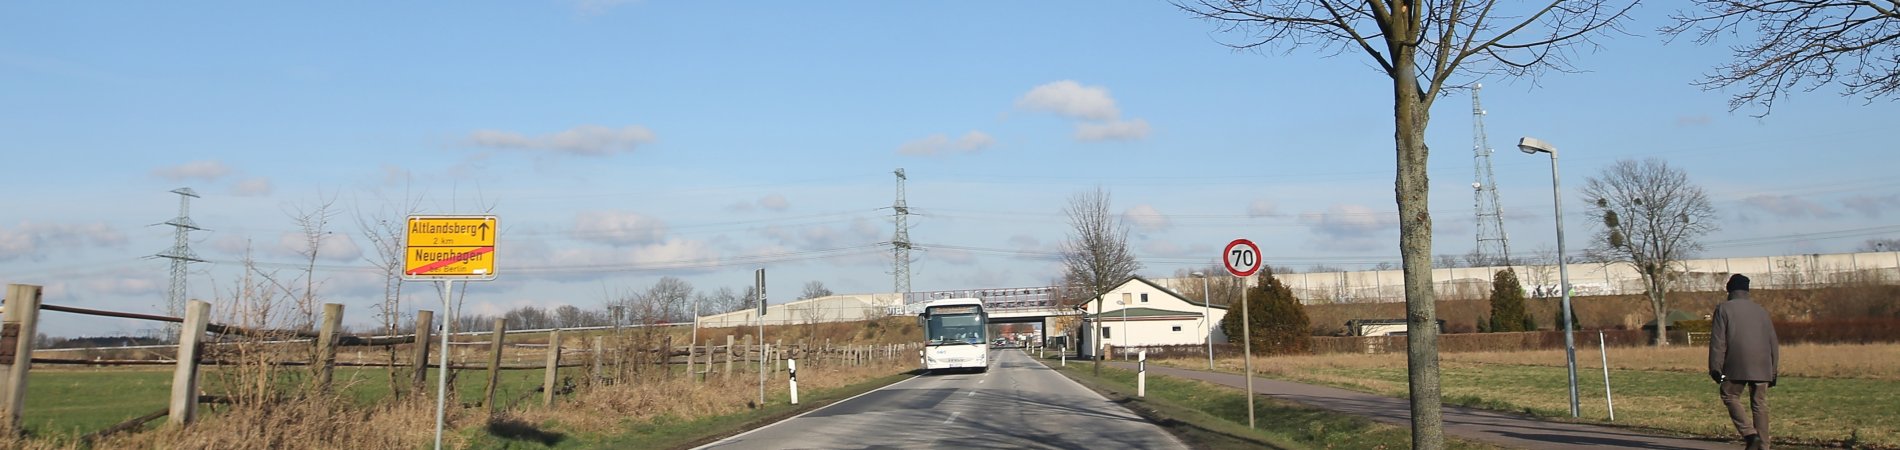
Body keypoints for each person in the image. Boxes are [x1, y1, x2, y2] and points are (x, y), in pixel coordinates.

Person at [1709, 274, 1779, 450]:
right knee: (1759, 403)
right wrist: (1773, 371)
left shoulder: (1723, 309)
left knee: (1729, 394)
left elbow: (1718, 341)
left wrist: (1715, 367)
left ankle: (1750, 435)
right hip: (1763, 364)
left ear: (1729, 290)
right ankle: (1764, 446)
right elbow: (1773, 341)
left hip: (1736, 362)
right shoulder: (1761, 311)